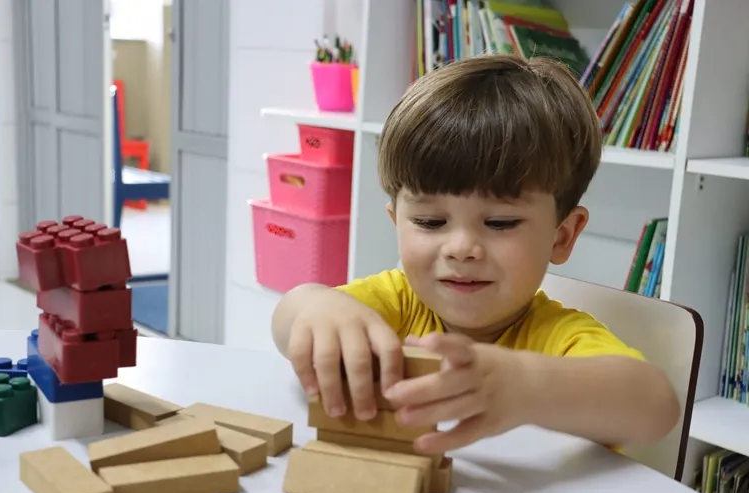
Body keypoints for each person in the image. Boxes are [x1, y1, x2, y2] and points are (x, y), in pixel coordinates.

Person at [271, 55, 680, 455]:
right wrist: (314, 306)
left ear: (562, 237)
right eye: (431, 222)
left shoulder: (558, 337)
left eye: (501, 223)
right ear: (397, 222)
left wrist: (525, 385)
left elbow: (656, 407)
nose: (461, 248)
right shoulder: (396, 302)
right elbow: (289, 320)